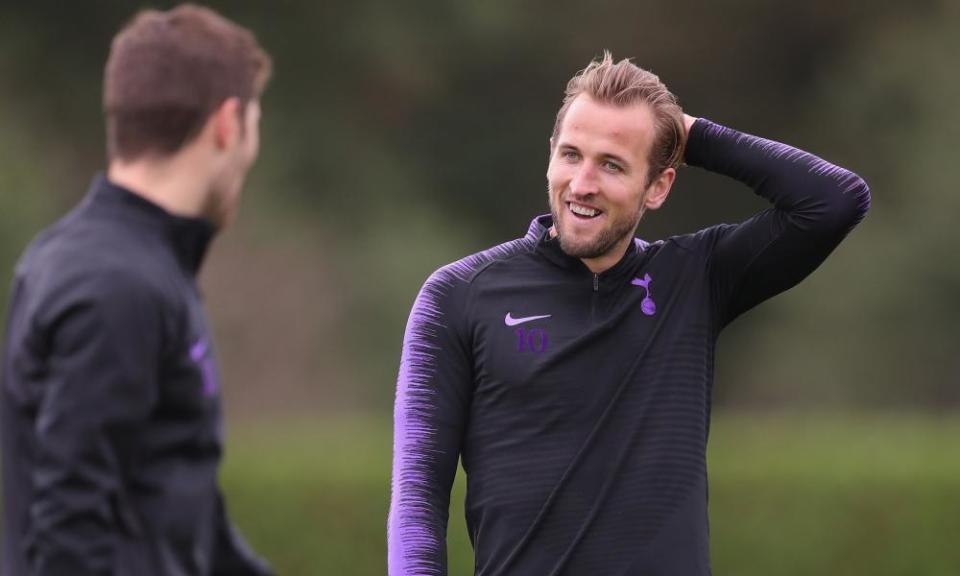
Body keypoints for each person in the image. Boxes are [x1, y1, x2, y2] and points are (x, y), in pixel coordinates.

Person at [388, 52, 870, 575]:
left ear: (659, 185)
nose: (582, 184)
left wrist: (688, 133)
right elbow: (417, 497)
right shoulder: (458, 294)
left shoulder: (695, 279)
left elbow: (834, 201)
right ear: (549, 155)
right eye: (571, 155)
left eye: (612, 163)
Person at [0, 5, 273, 575]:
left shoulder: (135, 267)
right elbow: (67, 532)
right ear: (227, 125)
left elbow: (179, 508)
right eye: (254, 127)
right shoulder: (118, 287)